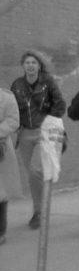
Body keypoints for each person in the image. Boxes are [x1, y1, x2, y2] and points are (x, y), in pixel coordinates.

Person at [10, 50, 66, 229]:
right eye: (27, 62)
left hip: (44, 132)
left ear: (39, 65)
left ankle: (39, 211)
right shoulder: (17, 85)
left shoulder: (47, 82)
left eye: (34, 62)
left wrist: (50, 122)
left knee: (35, 170)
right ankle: (40, 208)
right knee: (33, 175)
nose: (30, 66)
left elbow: (60, 104)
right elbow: (13, 109)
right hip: (25, 133)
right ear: (23, 65)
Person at [0, 87, 23, 245]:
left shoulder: (6, 97)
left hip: (0, 147)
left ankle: (0, 231)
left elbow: (13, 121)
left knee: (0, 192)